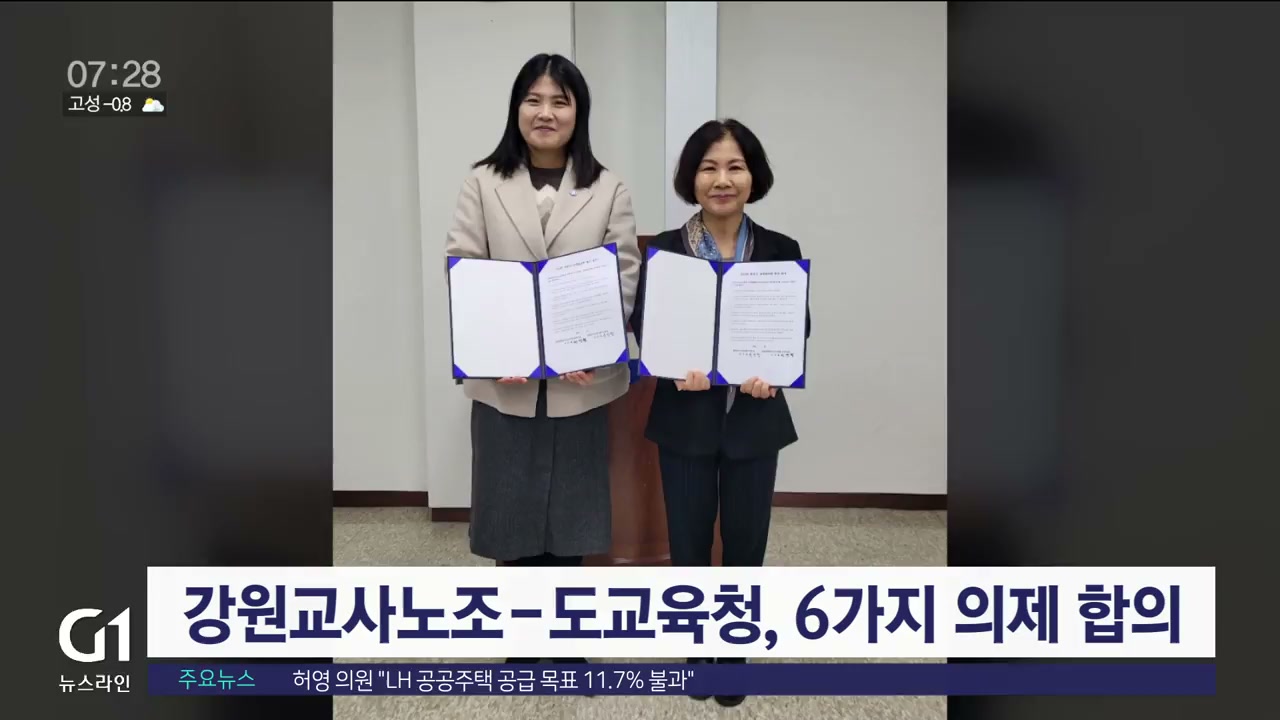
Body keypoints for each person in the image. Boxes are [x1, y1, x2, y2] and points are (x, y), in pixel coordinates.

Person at [444, 53, 640, 665]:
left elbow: (623, 276)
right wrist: (496, 350)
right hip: (504, 381)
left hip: (581, 381)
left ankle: (565, 635)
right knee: (512, 508)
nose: (546, 112)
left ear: (579, 112)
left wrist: (595, 349)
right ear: (517, 109)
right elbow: (464, 267)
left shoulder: (608, 187)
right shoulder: (483, 181)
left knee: (573, 510)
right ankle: (521, 638)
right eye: (534, 99)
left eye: (560, 101)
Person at [630, 119, 809, 708]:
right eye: (709, 167)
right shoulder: (665, 250)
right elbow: (645, 326)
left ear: (754, 177)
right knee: (687, 541)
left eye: (735, 166)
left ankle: (734, 652)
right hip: (685, 417)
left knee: (745, 542)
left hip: (755, 420)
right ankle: (695, 647)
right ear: (692, 178)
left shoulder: (781, 249)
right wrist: (671, 363)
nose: (722, 179)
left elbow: (796, 329)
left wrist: (773, 371)